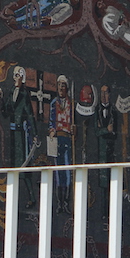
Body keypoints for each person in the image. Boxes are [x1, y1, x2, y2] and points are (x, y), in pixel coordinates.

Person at [0, 66, 37, 206]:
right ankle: (13, 197)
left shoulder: (24, 94)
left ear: (22, 78)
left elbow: (30, 115)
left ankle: (31, 197)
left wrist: (35, 134)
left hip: (22, 135)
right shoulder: (12, 91)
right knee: (13, 167)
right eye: (14, 75)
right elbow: (6, 113)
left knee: (24, 168)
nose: (15, 78)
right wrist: (0, 100)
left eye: (17, 75)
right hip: (13, 134)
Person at [49, 75, 74, 212]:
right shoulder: (54, 103)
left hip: (67, 138)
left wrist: (74, 129)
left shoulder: (71, 103)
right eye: (59, 85)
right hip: (58, 138)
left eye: (63, 86)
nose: (61, 88)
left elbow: (74, 122)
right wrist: (52, 130)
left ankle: (66, 203)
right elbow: (51, 121)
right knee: (59, 172)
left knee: (68, 171)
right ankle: (59, 202)